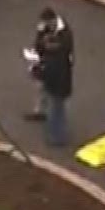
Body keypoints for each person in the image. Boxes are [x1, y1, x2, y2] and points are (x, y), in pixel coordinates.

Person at [32, 11, 74, 148]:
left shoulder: (65, 35)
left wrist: (47, 46)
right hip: (51, 76)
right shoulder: (45, 29)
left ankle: (57, 138)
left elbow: (64, 50)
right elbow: (38, 44)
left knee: (57, 110)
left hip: (58, 83)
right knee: (48, 101)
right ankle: (42, 115)